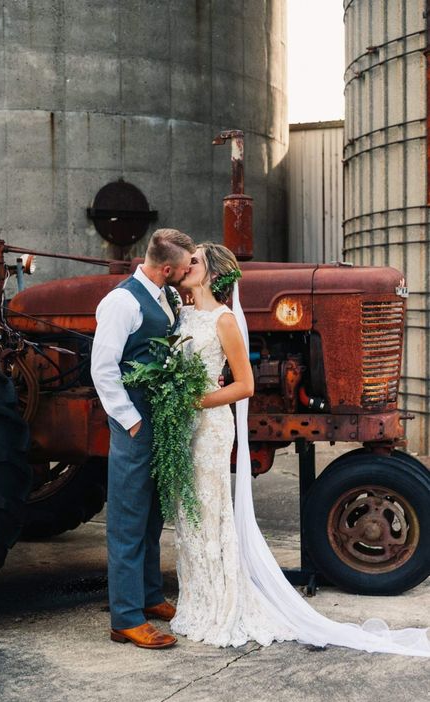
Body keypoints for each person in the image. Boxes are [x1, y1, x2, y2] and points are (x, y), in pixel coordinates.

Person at [170, 242, 430, 656]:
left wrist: (193, 400)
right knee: (189, 513)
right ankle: (197, 599)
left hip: (208, 424)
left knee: (210, 508)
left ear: (212, 273)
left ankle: (221, 605)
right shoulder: (181, 313)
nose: (186, 265)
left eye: (195, 261)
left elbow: (245, 386)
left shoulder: (222, 320)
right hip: (184, 425)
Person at [91, 228, 195, 649]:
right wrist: (131, 421)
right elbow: (103, 368)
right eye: (186, 267)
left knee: (152, 515)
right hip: (134, 421)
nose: (189, 273)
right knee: (128, 521)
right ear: (167, 268)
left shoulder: (166, 296)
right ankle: (126, 619)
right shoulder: (121, 301)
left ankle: (150, 596)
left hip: (161, 418)